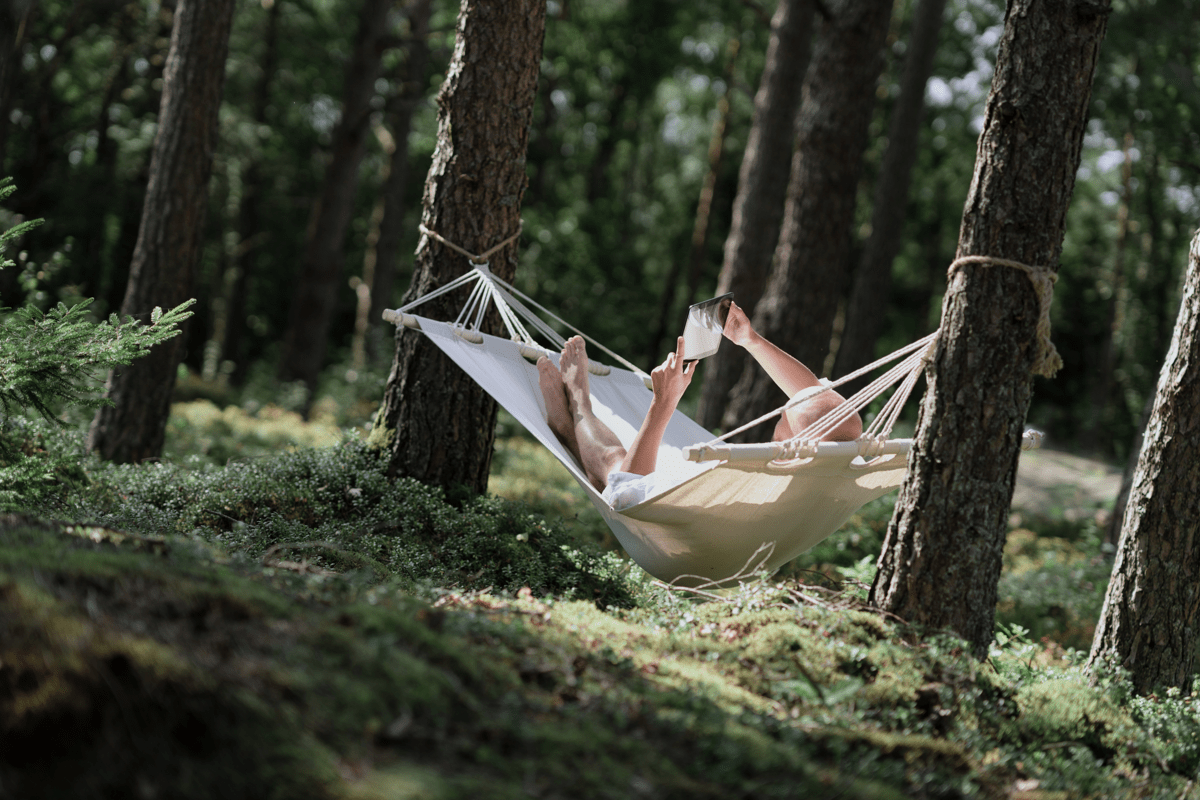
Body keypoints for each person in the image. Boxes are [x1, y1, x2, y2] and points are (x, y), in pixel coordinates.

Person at [537, 301, 861, 509]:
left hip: (673, 502)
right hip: (714, 482)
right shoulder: (844, 460)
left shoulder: (764, 492)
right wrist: (749, 339)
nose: (791, 399)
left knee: (613, 464)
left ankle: (577, 408)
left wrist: (663, 403)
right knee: (817, 404)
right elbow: (817, 402)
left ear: (786, 444)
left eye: (786, 416)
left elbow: (627, 493)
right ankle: (567, 429)